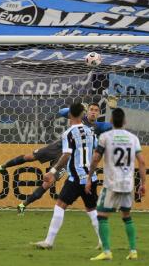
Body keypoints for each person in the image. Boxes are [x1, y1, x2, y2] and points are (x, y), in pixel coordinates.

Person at [0, 103, 112, 214]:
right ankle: (1, 167)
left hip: (71, 157)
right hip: (60, 146)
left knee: (49, 182)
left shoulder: (99, 126)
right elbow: (62, 111)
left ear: (99, 113)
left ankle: (23, 205)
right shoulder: (79, 117)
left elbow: (113, 126)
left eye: (96, 110)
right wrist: (76, 107)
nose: (93, 112)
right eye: (91, 109)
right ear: (86, 111)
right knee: (30, 157)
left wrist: (113, 109)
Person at [31, 103, 101, 249]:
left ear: (69, 115)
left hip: (76, 178)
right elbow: (97, 151)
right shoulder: (90, 131)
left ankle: (49, 242)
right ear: (83, 115)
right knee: (91, 209)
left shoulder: (68, 133)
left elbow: (66, 155)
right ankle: (103, 241)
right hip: (90, 178)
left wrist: (53, 171)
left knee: (60, 206)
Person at [85, 108, 146, 261]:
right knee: (126, 216)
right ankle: (133, 251)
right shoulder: (133, 138)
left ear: (111, 121)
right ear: (125, 122)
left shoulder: (105, 137)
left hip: (111, 184)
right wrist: (143, 184)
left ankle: (106, 251)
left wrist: (89, 176)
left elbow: (95, 159)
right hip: (128, 184)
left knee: (101, 215)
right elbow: (142, 162)